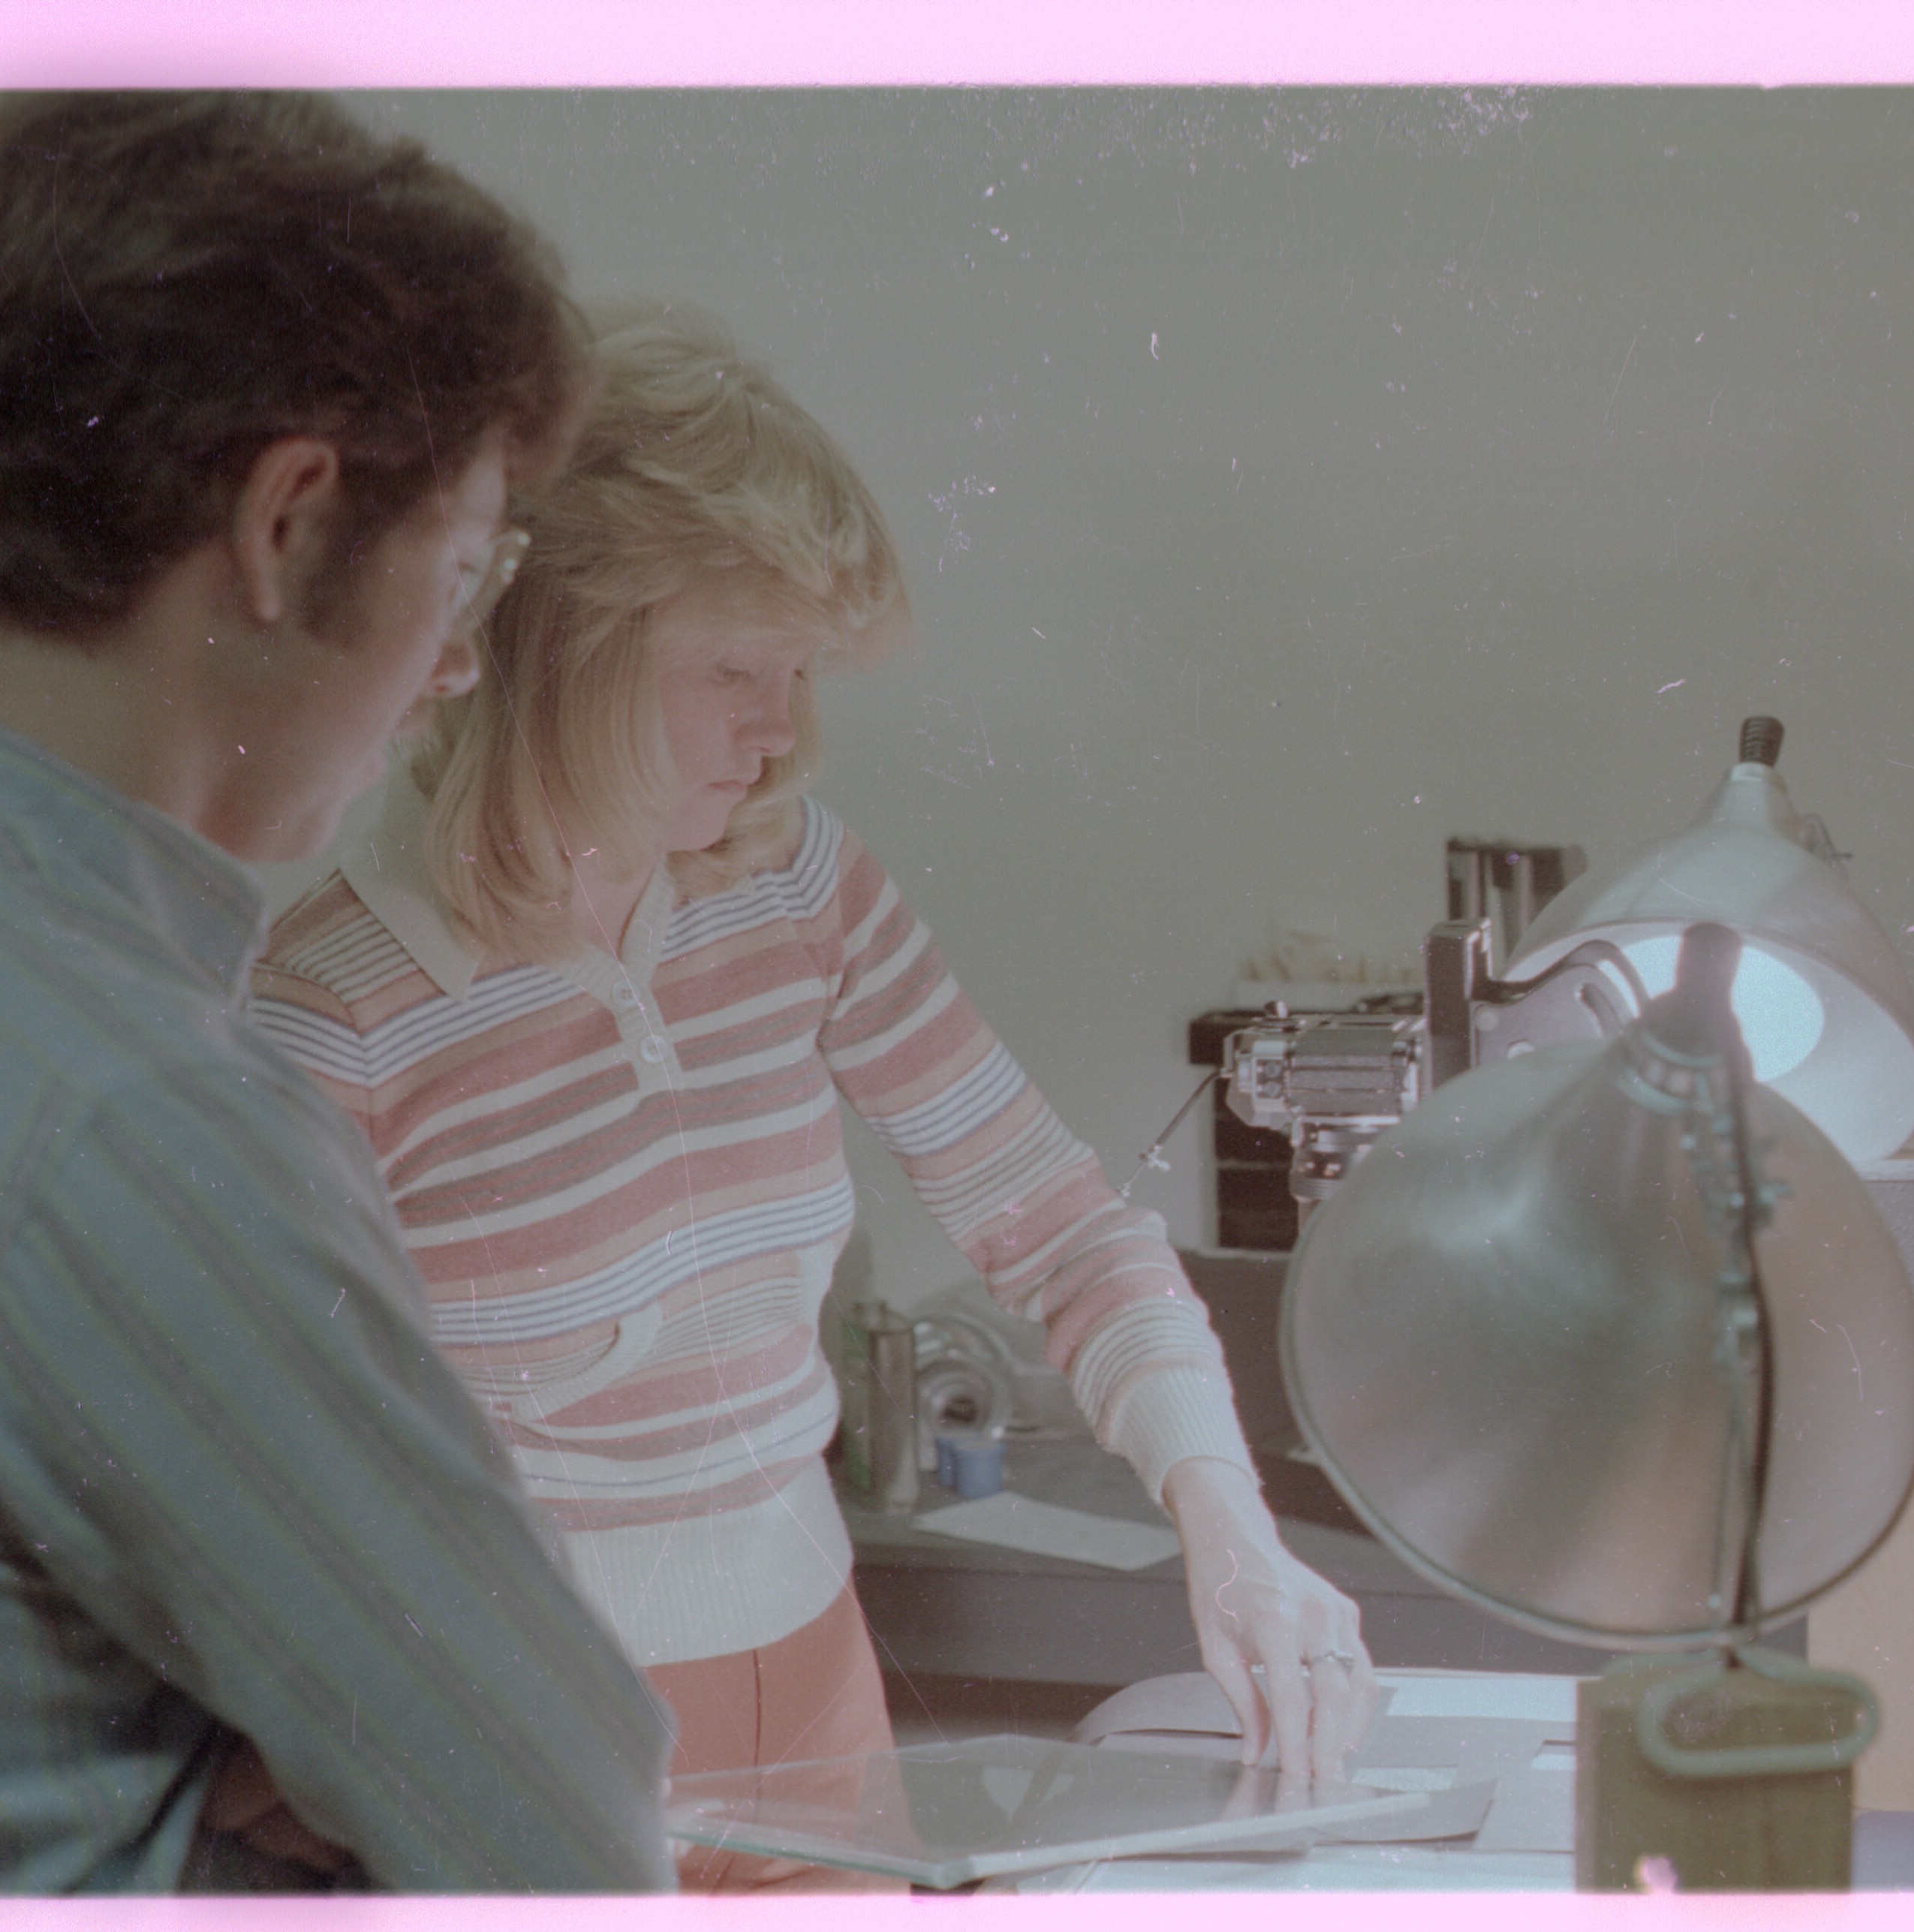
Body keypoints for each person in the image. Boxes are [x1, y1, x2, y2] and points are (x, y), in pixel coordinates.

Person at [0, 93, 676, 1894]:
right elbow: (564, 1848)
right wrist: (306, 1795)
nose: (456, 669)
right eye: (464, 571)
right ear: (287, 522)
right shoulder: (137, 1115)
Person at [251, 308, 1378, 1894]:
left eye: (794, 673)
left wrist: (1233, 1533)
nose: (783, 730)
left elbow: (1068, 1238)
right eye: (736, 668)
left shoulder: (796, 889)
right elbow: (261, 1489)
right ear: (562, 642)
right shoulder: (336, 1010)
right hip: (524, 1732)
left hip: (820, 1686)